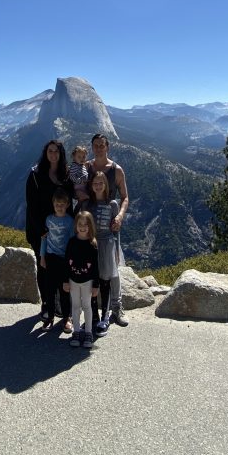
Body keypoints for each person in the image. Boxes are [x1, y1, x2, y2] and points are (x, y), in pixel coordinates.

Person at [87, 133, 130, 327]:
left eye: (102, 145)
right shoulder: (86, 168)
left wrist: (120, 215)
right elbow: (75, 188)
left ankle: (117, 307)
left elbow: (125, 197)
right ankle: (94, 309)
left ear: (107, 147)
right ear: (92, 147)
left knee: (113, 269)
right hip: (90, 227)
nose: (98, 148)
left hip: (111, 227)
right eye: (95, 145)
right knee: (92, 268)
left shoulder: (116, 170)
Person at [25, 139, 71, 316]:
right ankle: (46, 303)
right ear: (46, 153)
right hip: (41, 231)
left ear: (61, 154)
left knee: (61, 267)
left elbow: (69, 202)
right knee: (44, 266)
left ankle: (60, 304)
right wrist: (42, 230)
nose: (53, 154)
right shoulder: (35, 174)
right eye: (50, 151)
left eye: (57, 151)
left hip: (61, 231)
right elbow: (31, 205)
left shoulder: (65, 174)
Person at [88, 170, 123, 336]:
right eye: (95, 183)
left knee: (106, 281)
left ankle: (105, 316)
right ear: (91, 185)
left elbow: (116, 230)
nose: (98, 186)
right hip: (92, 245)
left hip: (108, 244)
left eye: (101, 183)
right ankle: (94, 315)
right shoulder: (87, 204)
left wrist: (117, 250)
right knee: (92, 281)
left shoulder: (113, 204)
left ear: (106, 185)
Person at [38, 188, 75, 331]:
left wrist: (71, 260)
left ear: (67, 205)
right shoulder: (48, 219)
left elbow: (72, 241)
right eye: (57, 204)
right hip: (50, 258)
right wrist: (42, 257)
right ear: (53, 204)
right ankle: (50, 317)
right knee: (50, 291)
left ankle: (67, 318)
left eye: (62, 204)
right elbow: (44, 239)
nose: (59, 207)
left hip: (64, 260)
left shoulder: (70, 221)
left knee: (65, 290)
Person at [64, 210, 99, 348]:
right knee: (76, 306)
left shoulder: (92, 244)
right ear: (76, 225)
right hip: (73, 280)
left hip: (87, 282)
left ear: (90, 226)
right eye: (80, 224)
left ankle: (88, 332)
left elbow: (96, 267)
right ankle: (77, 332)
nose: (83, 227)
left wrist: (96, 285)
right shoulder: (72, 242)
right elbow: (66, 262)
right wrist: (65, 280)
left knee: (87, 306)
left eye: (86, 224)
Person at [68, 145, 89, 212]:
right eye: (79, 157)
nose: (82, 159)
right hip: (78, 187)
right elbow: (72, 176)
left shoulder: (81, 165)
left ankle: (78, 213)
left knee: (82, 202)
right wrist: (80, 181)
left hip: (83, 187)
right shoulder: (74, 166)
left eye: (83, 157)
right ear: (74, 157)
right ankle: (77, 213)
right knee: (85, 199)